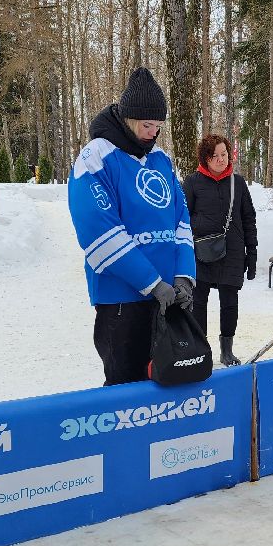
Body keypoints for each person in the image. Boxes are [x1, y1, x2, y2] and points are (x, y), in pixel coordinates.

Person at [69, 67, 196, 386]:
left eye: (158, 126)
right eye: (147, 125)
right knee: (125, 386)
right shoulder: (95, 157)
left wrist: (183, 277)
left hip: (168, 299)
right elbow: (99, 232)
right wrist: (152, 283)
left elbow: (181, 221)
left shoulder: (161, 159)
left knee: (170, 381)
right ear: (128, 119)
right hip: (122, 302)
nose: (153, 132)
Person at [183, 134, 258, 367]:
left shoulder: (238, 183)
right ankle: (201, 350)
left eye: (223, 154)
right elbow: (182, 221)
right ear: (205, 158)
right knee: (199, 302)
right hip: (201, 253)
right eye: (214, 155)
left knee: (229, 303)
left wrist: (252, 254)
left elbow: (249, 219)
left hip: (233, 252)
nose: (220, 159)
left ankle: (227, 351)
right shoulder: (192, 182)